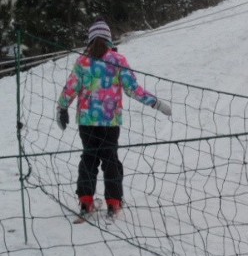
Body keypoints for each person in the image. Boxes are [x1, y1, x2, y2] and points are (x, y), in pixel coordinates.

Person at [56, 19, 172, 218]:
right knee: (110, 159)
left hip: (87, 122)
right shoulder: (117, 60)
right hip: (110, 122)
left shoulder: (82, 61)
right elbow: (133, 89)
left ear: (90, 39)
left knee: (89, 159)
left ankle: (85, 202)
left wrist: (62, 108)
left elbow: (71, 88)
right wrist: (156, 103)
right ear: (109, 39)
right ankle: (113, 203)